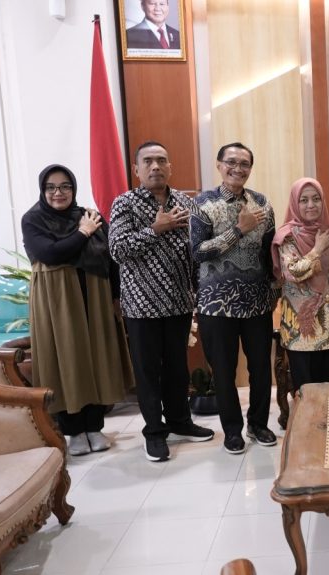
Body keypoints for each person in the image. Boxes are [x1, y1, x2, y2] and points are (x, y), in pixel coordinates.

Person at [109, 141, 213, 462]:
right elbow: (118, 250)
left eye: (161, 161)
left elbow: (195, 251)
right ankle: (155, 432)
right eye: (148, 161)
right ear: (136, 169)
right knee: (148, 372)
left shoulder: (185, 202)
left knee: (177, 369)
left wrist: (199, 294)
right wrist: (156, 229)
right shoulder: (125, 203)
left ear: (170, 167)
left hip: (179, 302)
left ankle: (180, 421)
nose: (155, 166)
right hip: (142, 307)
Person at [22, 164, 132, 456]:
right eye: (51, 187)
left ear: (73, 188)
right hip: (57, 301)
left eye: (65, 186)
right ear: (42, 190)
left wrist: (117, 296)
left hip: (94, 296)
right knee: (66, 358)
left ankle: (94, 427)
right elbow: (49, 253)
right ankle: (73, 431)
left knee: (97, 357)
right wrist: (83, 233)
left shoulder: (90, 215)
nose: (58, 193)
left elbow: (112, 259)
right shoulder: (33, 219)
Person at [191, 142, 277, 455]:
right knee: (224, 372)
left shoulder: (262, 203)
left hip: (257, 302)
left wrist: (274, 291)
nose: (237, 169)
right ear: (219, 165)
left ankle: (258, 424)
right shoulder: (202, 203)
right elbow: (197, 252)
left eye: (244, 164)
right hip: (216, 304)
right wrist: (238, 231)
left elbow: (270, 252)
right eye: (231, 162)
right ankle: (232, 431)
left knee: (261, 369)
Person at [272, 178, 329, 390]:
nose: (311, 205)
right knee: (305, 390)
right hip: (301, 328)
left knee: (328, 387)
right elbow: (293, 272)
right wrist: (317, 250)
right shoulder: (287, 237)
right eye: (303, 200)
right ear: (295, 203)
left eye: (316, 199)